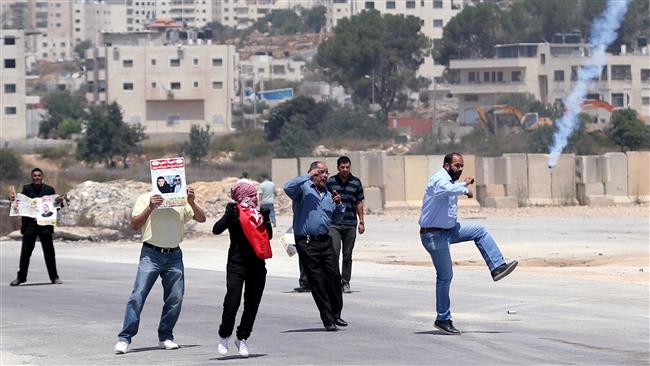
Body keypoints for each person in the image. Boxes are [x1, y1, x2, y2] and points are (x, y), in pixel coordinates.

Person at [419, 152, 518, 335]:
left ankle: (497, 267)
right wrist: (465, 188)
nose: (461, 169)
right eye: (458, 166)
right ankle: (442, 318)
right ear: (447, 165)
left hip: (449, 231)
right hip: (433, 236)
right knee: (445, 276)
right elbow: (448, 189)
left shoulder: (448, 181)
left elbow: (451, 188)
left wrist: (463, 185)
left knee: (479, 230)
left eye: (462, 166)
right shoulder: (438, 179)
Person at [114, 186, 206, 354]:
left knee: (175, 297)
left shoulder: (181, 199)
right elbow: (135, 224)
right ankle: (124, 338)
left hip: (174, 255)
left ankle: (165, 336)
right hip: (151, 254)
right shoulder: (146, 198)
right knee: (138, 295)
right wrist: (150, 207)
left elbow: (202, 219)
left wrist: (192, 202)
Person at [284, 161, 347, 331]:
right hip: (306, 241)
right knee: (317, 280)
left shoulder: (328, 194)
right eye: (321, 172)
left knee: (334, 276)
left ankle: (336, 314)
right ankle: (327, 320)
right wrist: (308, 176)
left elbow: (337, 217)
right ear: (312, 173)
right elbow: (287, 187)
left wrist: (339, 204)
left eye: (326, 172)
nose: (325, 175)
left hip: (324, 240)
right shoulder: (303, 189)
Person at [213, 182, 272, 358]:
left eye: (256, 195)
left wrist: (266, 218)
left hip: (257, 265)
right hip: (237, 264)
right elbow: (216, 230)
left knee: (252, 304)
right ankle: (224, 335)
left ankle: (242, 338)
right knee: (232, 301)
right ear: (242, 196)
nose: (255, 198)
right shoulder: (235, 212)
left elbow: (267, 236)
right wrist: (227, 215)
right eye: (252, 195)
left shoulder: (258, 214)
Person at [8, 168, 63, 286]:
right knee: (25, 253)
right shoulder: (26, 189)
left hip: (45, 225)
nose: (37, 177)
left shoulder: (49, 190)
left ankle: (54, 277)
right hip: (30, 225)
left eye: (39, 175)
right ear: (32, 177)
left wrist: (60, 201)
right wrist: (13, 200)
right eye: (34, 176)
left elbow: (56, 207)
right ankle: (21, 277)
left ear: (42, 177)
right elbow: (19, 204)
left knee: (49, 252)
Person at [326, 156, 365, 294]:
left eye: (347, 167)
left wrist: (361, 222)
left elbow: (359, 203)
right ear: (338, 168)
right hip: (334, 224)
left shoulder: (356, 182)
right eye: (342, 167)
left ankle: (345, 281)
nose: (345, 169)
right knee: (334, 253)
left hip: (350, 223)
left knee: (347, 255)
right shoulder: (330, 182)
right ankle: (334, 281)